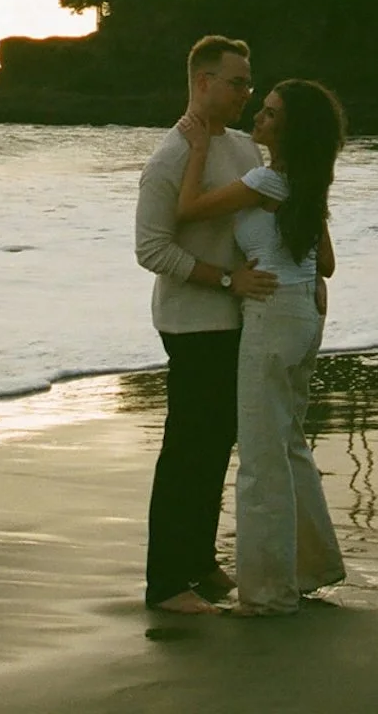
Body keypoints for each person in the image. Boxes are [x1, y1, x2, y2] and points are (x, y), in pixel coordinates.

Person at [176, 78, 347, 615]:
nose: (258, 118)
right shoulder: (306, 178)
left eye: (271, 115)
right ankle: (310, 568)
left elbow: (187, 209)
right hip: (303, 314)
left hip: (272, 315)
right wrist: (295, 268)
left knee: (261, 457)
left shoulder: (267, 180)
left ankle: (269, 592)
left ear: (289, 130)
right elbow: (326, 264)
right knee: (288, 444)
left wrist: (199, 150)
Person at [134, 35, 277, 615]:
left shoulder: (244, 149)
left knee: (218, 445)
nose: (247, 92)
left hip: (237, 317)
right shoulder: (169, 158)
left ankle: (199, 561)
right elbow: (151, 249)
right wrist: (224, 280)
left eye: (248, 82)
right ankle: (166, 583)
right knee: (188, 451)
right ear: (202, 83)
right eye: (236, 82)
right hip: (192, 322)